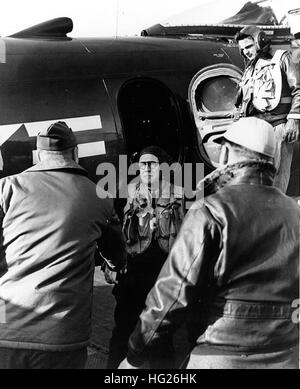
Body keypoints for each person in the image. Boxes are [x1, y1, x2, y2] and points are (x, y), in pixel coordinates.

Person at [118, 117, 299, 369]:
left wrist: (136, 354)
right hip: (286, 354)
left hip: (224, 352)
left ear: (225, 152)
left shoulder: (212, 210)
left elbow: (174, 293)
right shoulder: (295, 211)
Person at [0, 121, 126, 369]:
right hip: (64, 336)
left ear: (38, 155)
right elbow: (116, 251)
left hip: (7, 328)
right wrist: (115, 265)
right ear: (75, 152)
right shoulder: (97, 195)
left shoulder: (7, 188)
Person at [107, 145, 185, 369]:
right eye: (143, 164)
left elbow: (186, 235)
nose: (147, 169)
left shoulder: (178, 193)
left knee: (163, 335)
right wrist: (110, 265)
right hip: (133, 272)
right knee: (123, 330)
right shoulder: (128, 191)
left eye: (152, 164)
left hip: (164, 273)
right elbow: (117, 230)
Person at [234, 26, 300, 193]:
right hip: (257, 129)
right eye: (242, 49)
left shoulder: (282, 58)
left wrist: (293, 120)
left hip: (279, 126)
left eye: (248, 46)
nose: (246, 52)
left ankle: (275, 214)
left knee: (276, 178)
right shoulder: (251, 68)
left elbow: (299, 89)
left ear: (260, 40)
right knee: (254, 178)